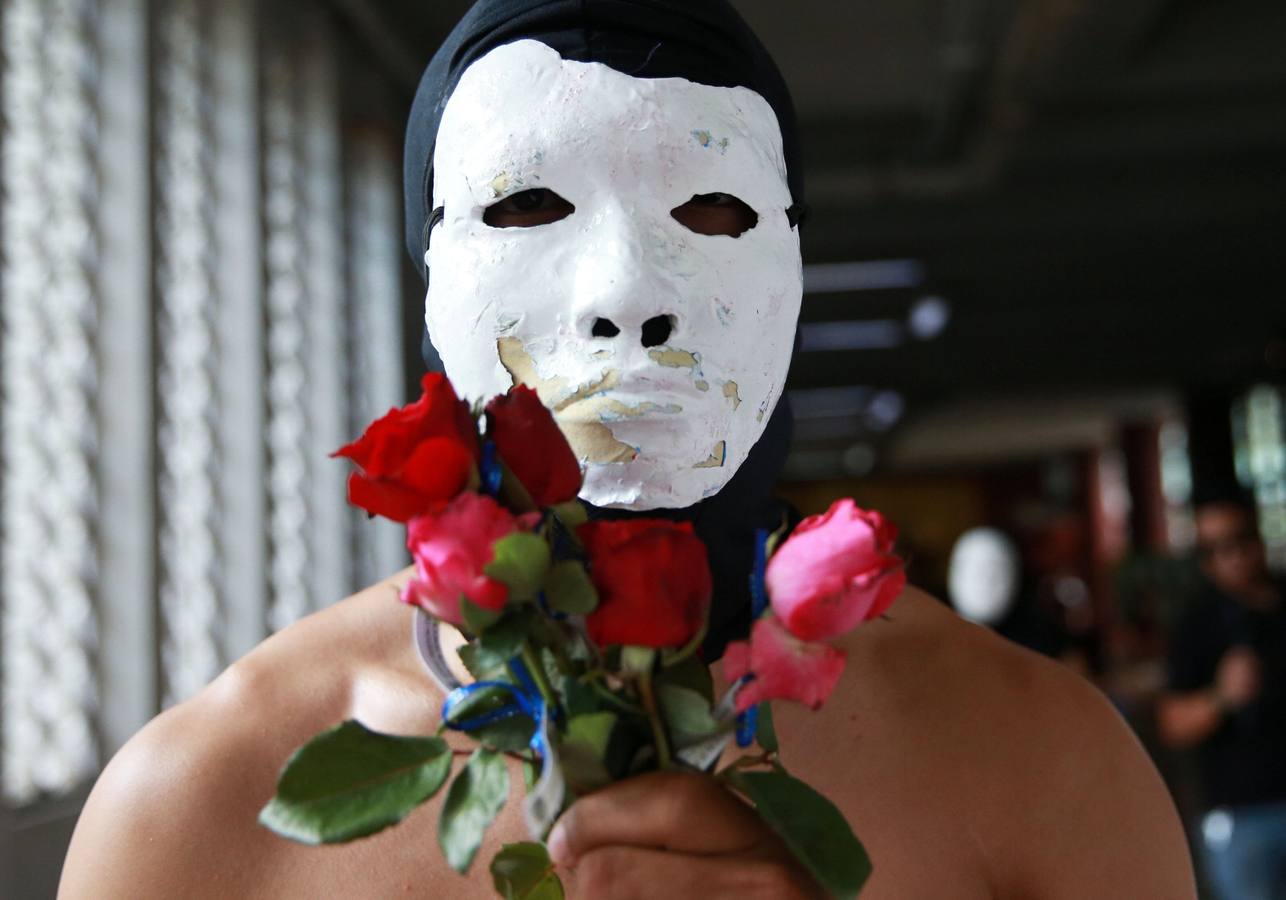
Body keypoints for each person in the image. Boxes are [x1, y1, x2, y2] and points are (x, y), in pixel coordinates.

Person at [60, 2, 1194, 896]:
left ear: (792, 265)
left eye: (710, 212)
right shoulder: (201, 809)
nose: (623, 295)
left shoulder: (1034, 760)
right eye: (525, 209)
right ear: (430, 267)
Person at [1159, 493, 1286, 899]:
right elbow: (1172, 724)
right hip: (1241, 816)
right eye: (1213, 549)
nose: (1230, 556)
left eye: (1238, 540)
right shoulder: (1196, 623)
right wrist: (1221, 697)